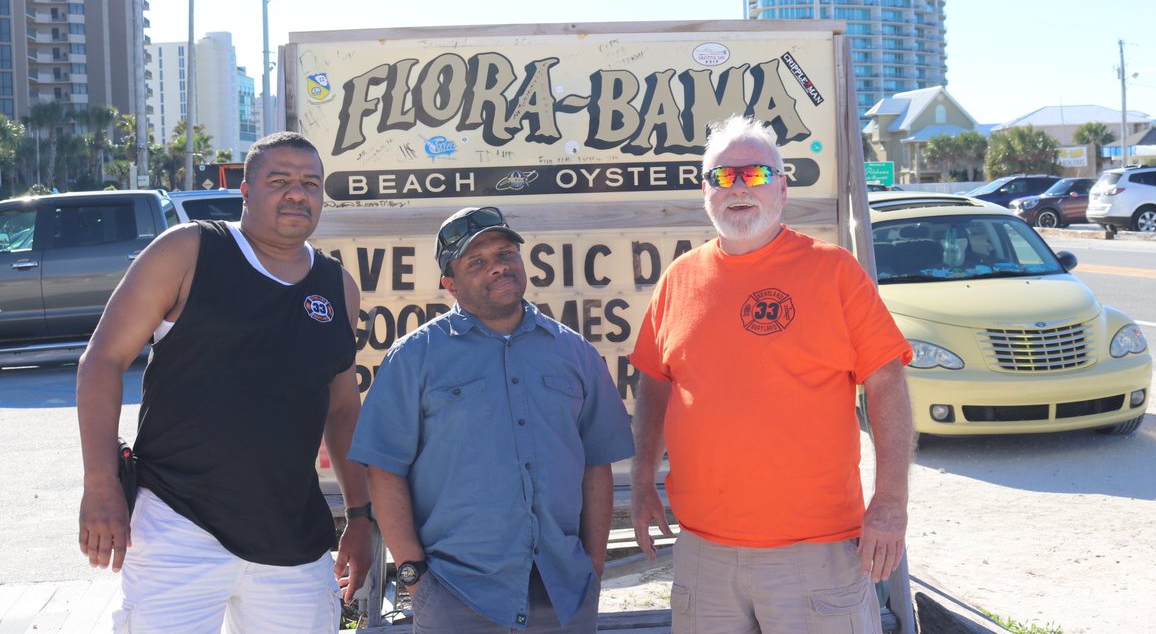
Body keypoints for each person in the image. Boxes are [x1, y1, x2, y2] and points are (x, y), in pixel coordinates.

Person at [629, 115, 915, 634]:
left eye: (756, 175)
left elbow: (887, 382)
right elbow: (654, 381)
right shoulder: (679, 278)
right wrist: (643, 476)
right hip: (704, 554)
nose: (738, 187)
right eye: (722, 176)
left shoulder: (834, 271)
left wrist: (890, 503)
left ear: (782, 187)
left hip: (816, 554)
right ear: (705, 191)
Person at [77, 132, 372, 634]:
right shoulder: (190, 250)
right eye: (279, 180)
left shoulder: (337, 285)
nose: (297, 193)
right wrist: (100, 483)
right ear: (246, 190)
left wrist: (361, 517)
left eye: (311, 183)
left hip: (293, 538)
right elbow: (102, 360)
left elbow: (342, 408)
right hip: (178, 525)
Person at [349, 206, 634, 633]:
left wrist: (592, 564)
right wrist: (414, 576)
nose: (498, 267)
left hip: (564, 593)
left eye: (505, 254)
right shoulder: (414, 357)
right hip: (457, 594)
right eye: (477, 262)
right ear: (450, 283)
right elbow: (384, 470)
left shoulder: (575, 353)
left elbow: (596, 465)